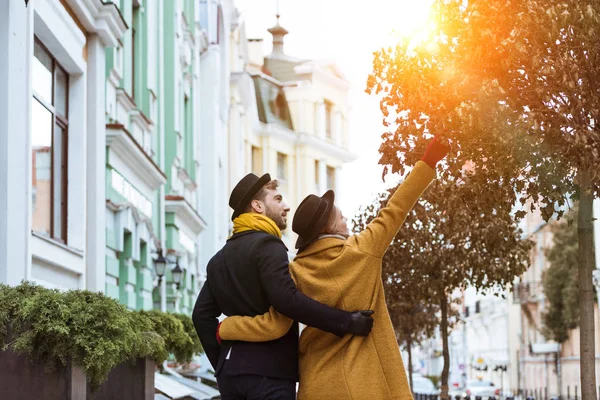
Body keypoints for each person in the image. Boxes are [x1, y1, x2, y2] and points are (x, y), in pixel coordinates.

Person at [217, 137, 449, 400]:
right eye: (341, 216)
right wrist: (428, 161)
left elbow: (274, 325)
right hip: (366, 387)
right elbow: (396, 208)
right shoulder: (363, 250)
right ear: (330, 227)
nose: (346, 220)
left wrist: (227, 327)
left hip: (317, 387)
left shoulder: (294, 271)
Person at [192, 172, 375, 400]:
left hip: (230, 375)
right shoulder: (268, 245)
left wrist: (222, 362)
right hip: (270, 375)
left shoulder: (219, 258)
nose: (286, 207)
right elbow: (286, 300)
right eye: (277, 199)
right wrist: (347, 321)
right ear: (257, 206)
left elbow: (201, 316)